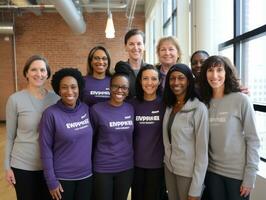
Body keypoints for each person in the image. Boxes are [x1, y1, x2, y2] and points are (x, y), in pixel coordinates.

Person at [199, 55, 260, 200]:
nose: (215, 75)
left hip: (237, 174)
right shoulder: (203, 103)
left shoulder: (241, 100)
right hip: (212, 172)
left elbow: (253, 139)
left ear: (227, 73)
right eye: (210, 70)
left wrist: (250, 176)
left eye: (219, 70)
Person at [4, 55, 59, 200]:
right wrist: (7, 167)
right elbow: (9, 137)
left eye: (42, 70)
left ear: (47, 74)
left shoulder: (56, 99)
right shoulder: (15, 99)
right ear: (26, 73)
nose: (38, 74)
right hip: (23, 166)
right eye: (34, 70)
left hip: (50, 166)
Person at [39, 68, 93, 200]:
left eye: (73, 87)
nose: (69, 91)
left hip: (87, 176)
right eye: (64, 87)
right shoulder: (50, 114)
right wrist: (51, 181)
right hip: (62, 179)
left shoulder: (86, 109)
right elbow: (45, 150)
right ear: (58, 90)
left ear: (79, 88)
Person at [163, 63, 209, 200]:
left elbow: (202, 153)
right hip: (169, 169)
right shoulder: (169, 106)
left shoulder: (199, 109)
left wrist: (195, 189)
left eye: (181, 78)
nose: (176, 82)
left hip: (188, 174)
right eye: (172, 78)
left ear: (188, 81)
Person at [90, 73, 134, 200]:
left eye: (124, 87)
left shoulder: (131, 108)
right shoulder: (96, 110)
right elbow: (90, 139)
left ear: (128, 90)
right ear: (109, 87)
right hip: (103, 167)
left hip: (126, 167)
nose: (120, 90)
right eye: (116, 86)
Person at [130, 65, 165, 200]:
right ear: (140, 81)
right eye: (145, 78)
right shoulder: (131, 104)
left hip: (157, 165)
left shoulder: (165, 104)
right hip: (135, 164)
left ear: (159, 81)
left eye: (153, 79)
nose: (149, 83)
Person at [115, 28, 146, 98]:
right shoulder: (119, 71)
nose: (135, 47)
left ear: (144, 46)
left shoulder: (152, 71)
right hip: (126, 108)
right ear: (126, 47)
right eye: (131, 44)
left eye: (139, 44)